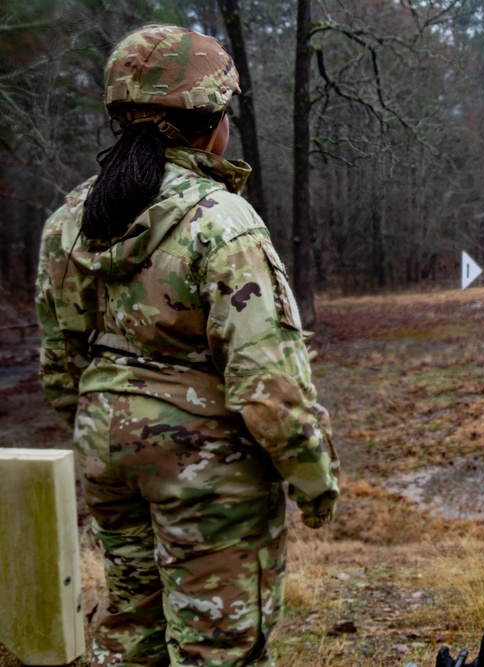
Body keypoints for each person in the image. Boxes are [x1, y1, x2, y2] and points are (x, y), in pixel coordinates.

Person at [35, 25, 339, 666]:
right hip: (208, 470)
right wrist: (315, 480)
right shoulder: (223, 221)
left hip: (104, 452)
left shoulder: (71, 219)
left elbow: (61, 364)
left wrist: (101, 429)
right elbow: (269, 386)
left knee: (130, 629)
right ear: (211, 122)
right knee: (219, 648)